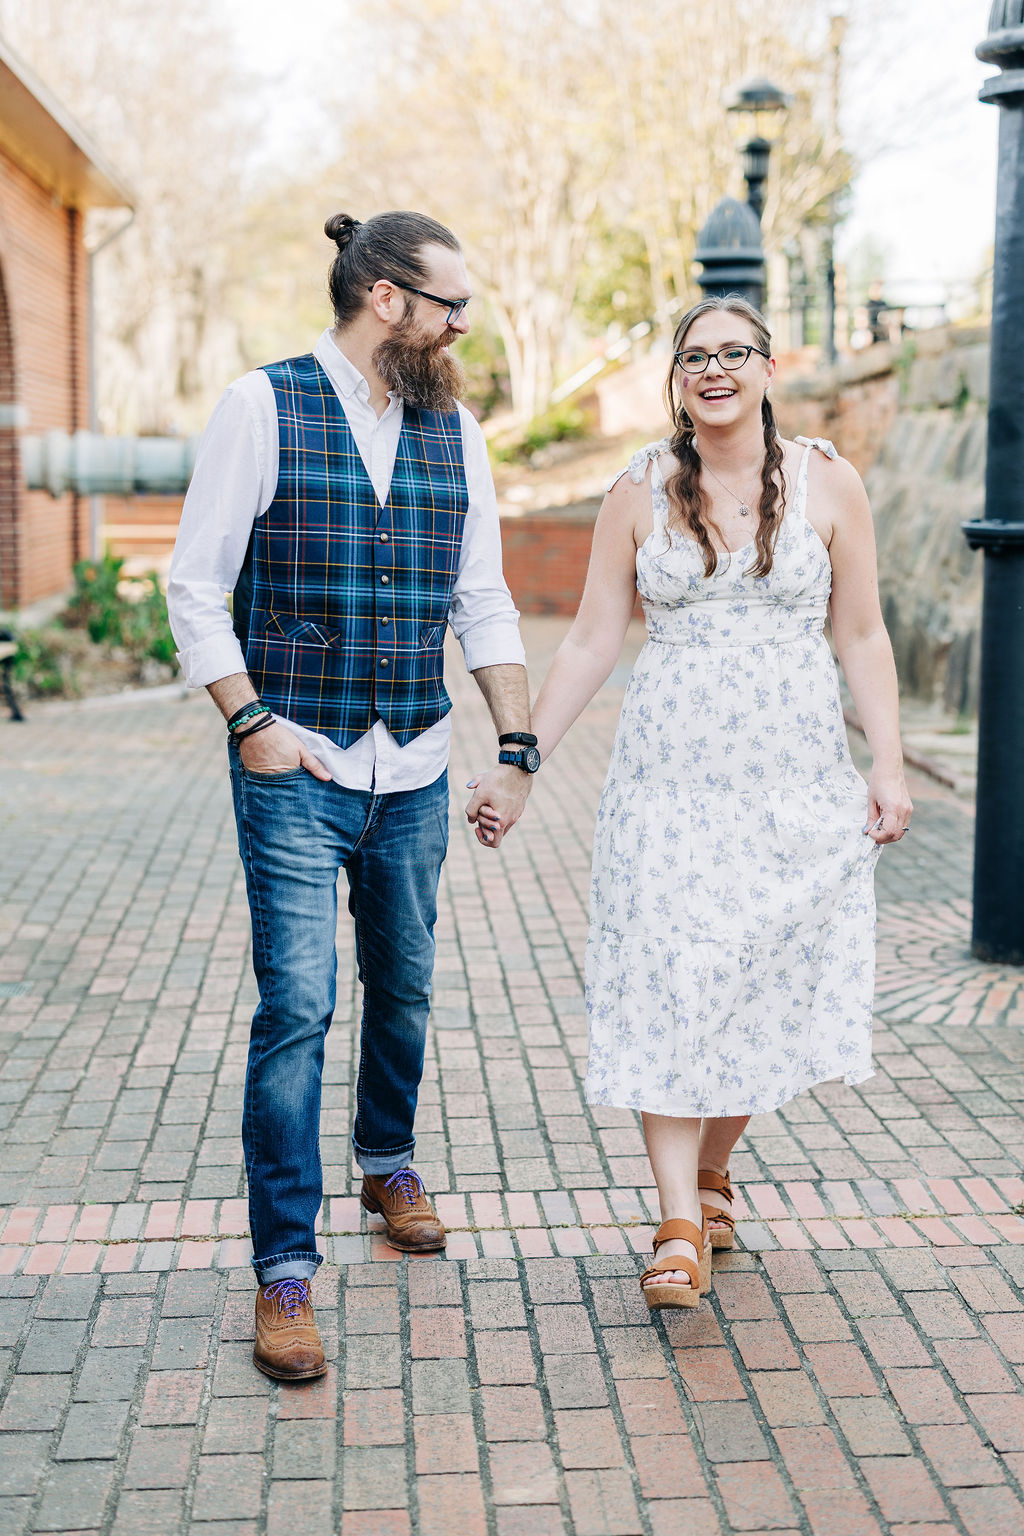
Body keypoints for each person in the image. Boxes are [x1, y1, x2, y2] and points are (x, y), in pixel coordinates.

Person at [167, 210, 537, 1380]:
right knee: (297, 1011)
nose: (459, 323)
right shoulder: (261, 406)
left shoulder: (455, 428)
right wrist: (251, 721)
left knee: (409, 987)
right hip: (297, 768)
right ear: (386, 298)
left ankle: (387, 1161)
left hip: (414, 764)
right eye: (448, 304)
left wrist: (513, 742)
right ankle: (285, 1272)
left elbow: (480, 598)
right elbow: (193, 583)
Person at [523, 295, 911, 1310]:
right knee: (668, 985)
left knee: (764, 989)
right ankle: (678, 1224)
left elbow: (861, 635)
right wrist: (520, 759)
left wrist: (890, 765)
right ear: (677, 379)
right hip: (667, 789)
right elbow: (590, 640)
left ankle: (709, 1168)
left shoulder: (829, 482)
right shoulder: (637, 491)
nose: (713, 369)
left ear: (768, 368)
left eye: (733, 352)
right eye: (694, 357)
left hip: (793, 790)